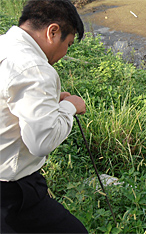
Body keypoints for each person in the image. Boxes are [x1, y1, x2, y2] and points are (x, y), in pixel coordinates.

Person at [0, 0, 88, 232]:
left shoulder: (4, 45)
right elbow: (41, 142)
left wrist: (49, 101)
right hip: (11, 192)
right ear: (53, 31)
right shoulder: (35, 69)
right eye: (68, 44)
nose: (65, 52)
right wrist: (70, 107)